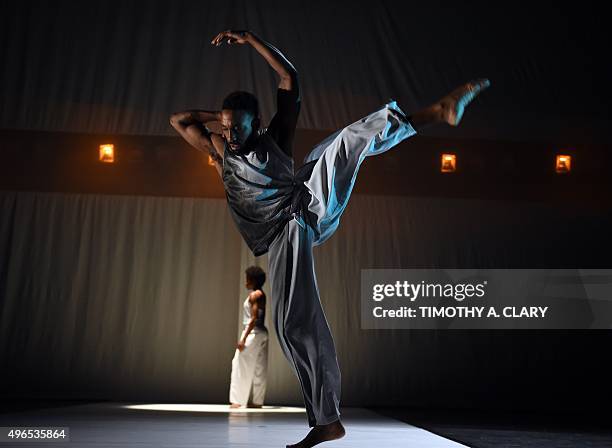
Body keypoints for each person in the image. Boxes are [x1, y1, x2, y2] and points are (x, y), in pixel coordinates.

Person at [170, 29, 489, 448]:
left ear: (258, 125)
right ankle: (327, 419)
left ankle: (436, 111)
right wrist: (222, 115)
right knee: (291, 325)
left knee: (343, 144)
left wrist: (250, 39)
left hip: (300, 213)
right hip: (285, 231)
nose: (230, 135)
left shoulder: (273, 140)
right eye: (227, 129)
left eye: (238, 128)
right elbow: (180, 121)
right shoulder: (220, 148)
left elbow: (290, 79)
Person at [229, 266, 268, 409]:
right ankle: (258, 401)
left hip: (253, 332)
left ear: (253, 280)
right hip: (262, 332)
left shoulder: (254, 295)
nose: (245, 282)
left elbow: (253, 318)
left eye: (247, 279)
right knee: (259, 366)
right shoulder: (261, 294)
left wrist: (243, 339)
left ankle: (238, 400)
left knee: (240, 363)